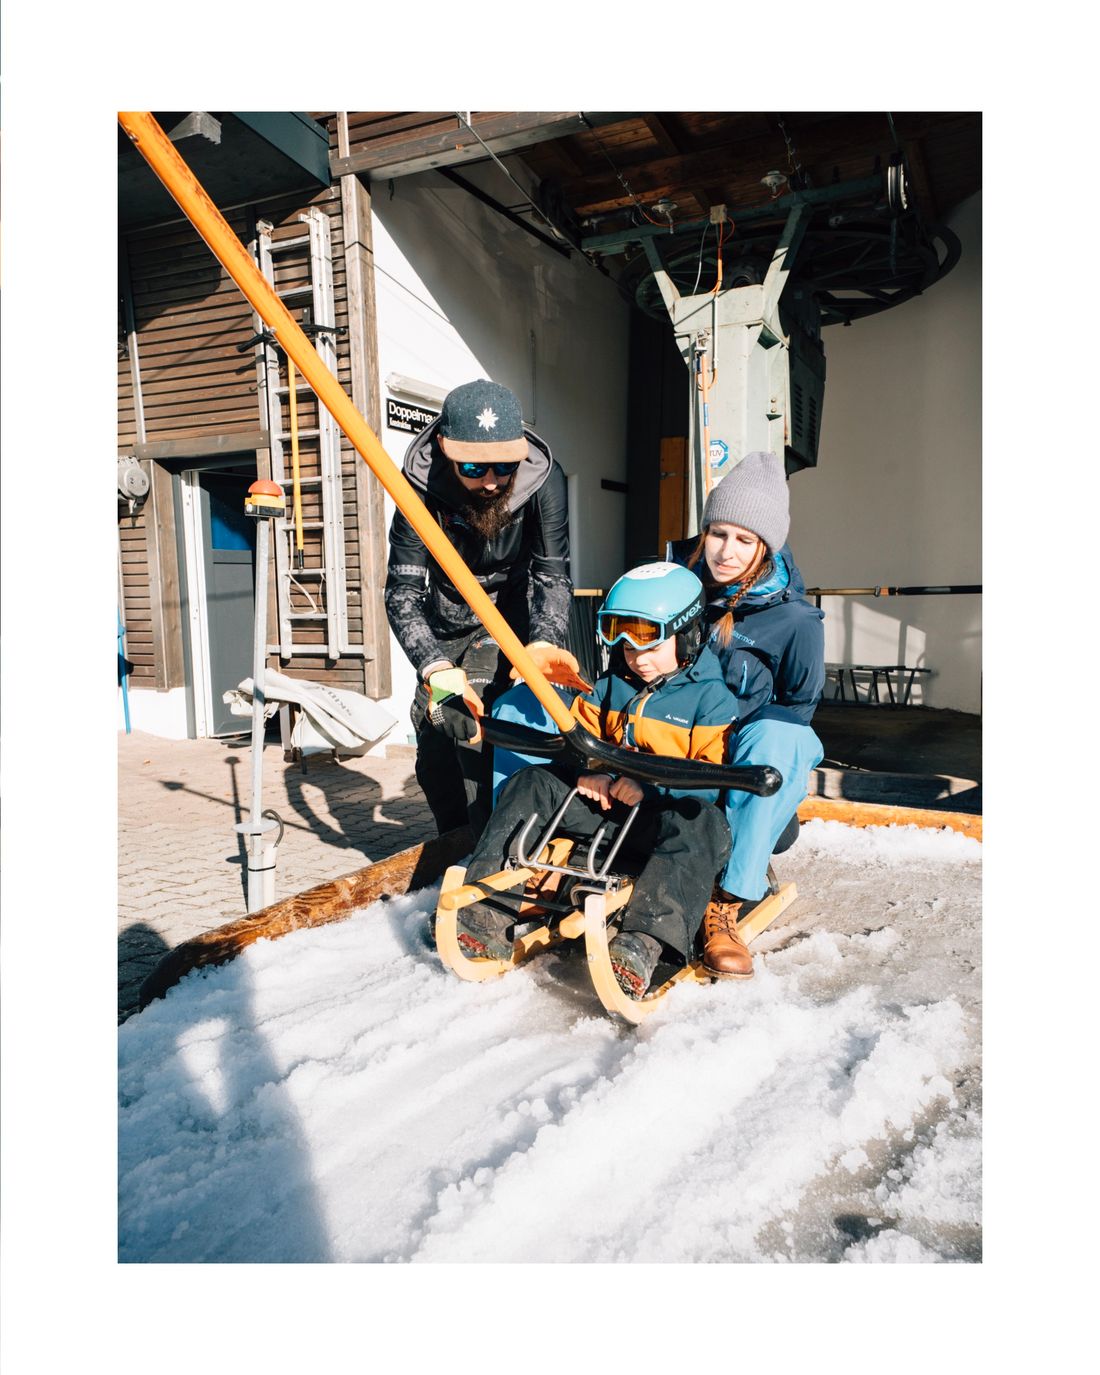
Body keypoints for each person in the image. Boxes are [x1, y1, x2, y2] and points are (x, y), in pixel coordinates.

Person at [455, 563, 755, 1000]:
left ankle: (641, 944)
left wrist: (649, 787)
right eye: (621, 636)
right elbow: (582, 740)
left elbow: (708, 782)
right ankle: (487, 910)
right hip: (609, 814)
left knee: (703, 823)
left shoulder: (711, 699)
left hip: (661, 821)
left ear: (688, 633)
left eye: (649, 637)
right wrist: (592, 772)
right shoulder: (611, 685)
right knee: (533, 781)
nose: (635, 653)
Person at [385, 378, 588, 838]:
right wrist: (433, 665)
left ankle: (488, 845)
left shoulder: (544, 480)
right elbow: (401, 590)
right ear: (443, 447)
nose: (492, 481)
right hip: (444, 620)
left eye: (503, 465)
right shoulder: (418, 486)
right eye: (473, 466)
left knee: (475, 728)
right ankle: (453, 840)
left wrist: (544, 641)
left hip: (506, 617)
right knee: (434, 735)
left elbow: (551, 573)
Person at [667, 450, 825, 979]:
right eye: (718, 534)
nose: (726, 552)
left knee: (784, 737)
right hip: (671, 744)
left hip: (738, 765)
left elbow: (798, 708)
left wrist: (729, 736)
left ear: (765, 546)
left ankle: (726, 900)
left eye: (744, 539)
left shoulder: (796, 620)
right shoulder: (675, 584)